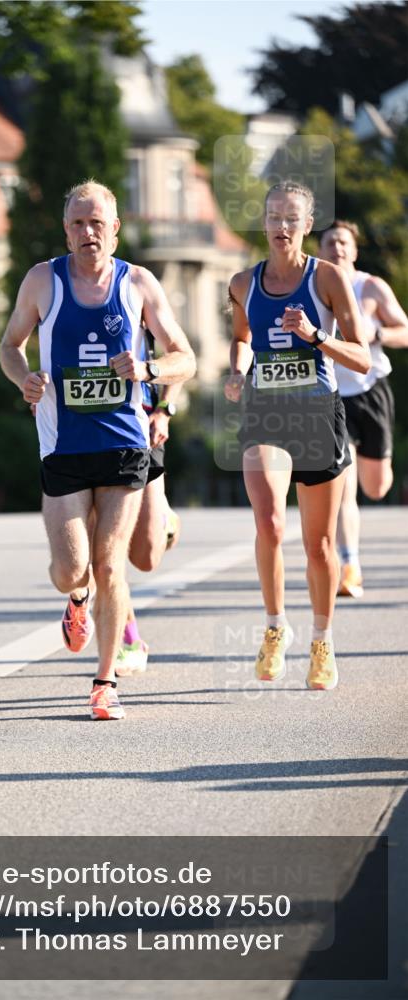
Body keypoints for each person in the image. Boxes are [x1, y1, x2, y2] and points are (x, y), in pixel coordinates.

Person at [0, 179, 196, 720]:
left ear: (115, 229)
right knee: (72, 569)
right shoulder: (43, 280)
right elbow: (10, 345)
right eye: (78, 224)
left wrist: (150, 370)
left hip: (124, 443)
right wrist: (23, 379)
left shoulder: (139, 283)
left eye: (97, 223)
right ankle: (76, 598)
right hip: (63, 445)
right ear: (66, 232)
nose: (88, 232)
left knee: (112, 564)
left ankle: (105, 682)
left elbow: (185, 356)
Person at [225, 181, 370, 691]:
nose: (281, 227)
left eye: (292, 219)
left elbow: (362, 356)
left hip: (317, 414)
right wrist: (238, 371)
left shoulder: (327, 278)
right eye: (274, 217)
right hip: (266, 412)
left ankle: (322, 640)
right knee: (269, 522)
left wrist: (316, 336)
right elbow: (241, 338)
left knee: (320, 544)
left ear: (307, 225)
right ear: (263, 222)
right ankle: (274, 626)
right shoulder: (243, 283)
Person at [318, 220, 408, 598]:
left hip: (371, 392)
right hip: (332, 397)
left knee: (376, 486)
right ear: (320, 250)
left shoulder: (371, 287)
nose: (337, 248)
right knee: (344, 486)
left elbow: (405, 330)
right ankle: (349, 565)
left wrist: (376, 334)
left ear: (354, 250)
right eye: (330, 242)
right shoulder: (313, 286)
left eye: (344, 242)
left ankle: (350, 562)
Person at [116, 329, 183, 677]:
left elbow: (181, 356)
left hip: (140, 422)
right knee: (103, 547)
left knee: (145, 557)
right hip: (80, 427)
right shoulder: (50, 295)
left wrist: (165, 409)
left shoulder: (141, 297)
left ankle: (163, 515)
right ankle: (129, 639)